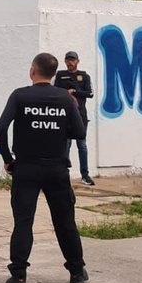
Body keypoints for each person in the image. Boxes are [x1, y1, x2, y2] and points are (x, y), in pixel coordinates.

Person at [0, 52, 88, 283]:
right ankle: (77, 271)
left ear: (32, 70)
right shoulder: (66, 99)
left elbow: (1, 127)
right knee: (65, 221)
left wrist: (8, 160)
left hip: (26, 167)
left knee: (24, 221)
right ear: (54, 73)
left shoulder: (20, 96)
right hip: (57, 168)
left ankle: (18, 276)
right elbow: (79, 133)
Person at [54, 51, 94, 186]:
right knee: (66, 144)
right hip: (65, 115)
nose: (70, 63)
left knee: (82, 145)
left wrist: (75, 91)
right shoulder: (61, 75)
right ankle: (63, 173)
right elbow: (54, 91)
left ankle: (85, 175)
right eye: (68, 60)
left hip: (80, 115)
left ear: (78, 61)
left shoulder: (84, 76)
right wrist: (66, 93)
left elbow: (90, 93)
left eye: (73, 60)